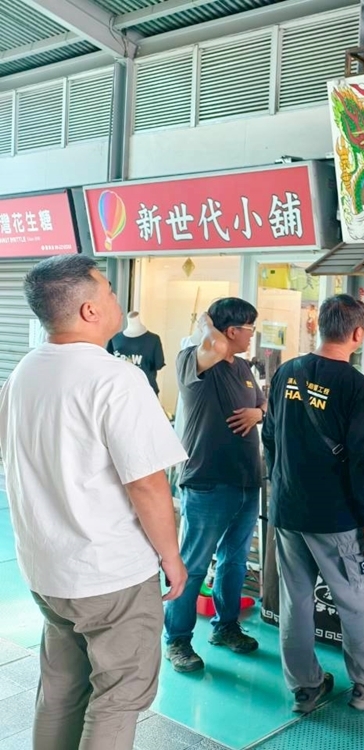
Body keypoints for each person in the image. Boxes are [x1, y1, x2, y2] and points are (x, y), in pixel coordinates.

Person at [0, 255, 189, 750]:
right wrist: (171, 557)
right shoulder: (115, 378)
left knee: (61, 691)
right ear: (88, 310)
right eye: (107, 290)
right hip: (109, 575)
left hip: (47, 572)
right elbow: (147, 484)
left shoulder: (24, 372)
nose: (116, 299)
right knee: (119, 697)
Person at [262, 295, 364, 714]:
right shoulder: (357, 386)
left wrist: (282, 485)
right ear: (358, 333)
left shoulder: (286, 372)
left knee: (295, 600)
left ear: (318, 326)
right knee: (358, 600)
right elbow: (362, 460)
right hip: (336, 517)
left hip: (287, 510)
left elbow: (269, 437)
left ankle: (305, 686)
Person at [164, 298, 266, 672]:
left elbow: (264, 404)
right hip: (207, 482)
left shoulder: (243, 367)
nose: (252, 335)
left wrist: (258, 413)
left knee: (234, 561)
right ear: (230, 330)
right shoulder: (193, 360)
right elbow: (216, 345)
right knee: (193, 565)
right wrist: (206, 322)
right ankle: (177, 640)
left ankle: (226, 627)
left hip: (246, 480)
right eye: (249, 328)